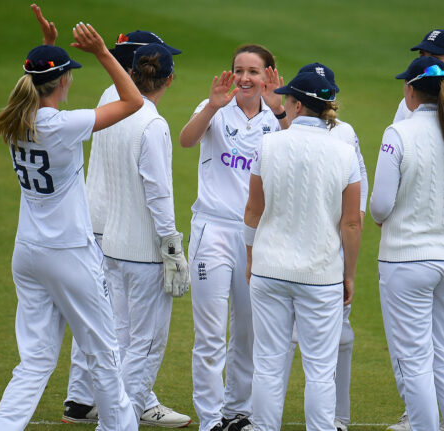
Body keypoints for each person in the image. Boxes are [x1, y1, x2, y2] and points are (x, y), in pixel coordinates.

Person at [0, 8, 143, 430]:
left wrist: (47, 47)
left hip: (28, 252)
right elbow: (133, 101)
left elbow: (33, 81)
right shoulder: (61, 125)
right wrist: (102, 53)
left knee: (35, 361)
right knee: (103, 354)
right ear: (62, 82)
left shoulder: (17, 119)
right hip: (70, 253)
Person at [62, 28, 191, 428]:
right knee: (145, 347)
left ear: (132, 71)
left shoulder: (114, 105)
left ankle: (108, 413)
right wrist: (172, 248)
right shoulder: (153, 124)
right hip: (144, 253)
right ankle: (117, 422)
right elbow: (158, 193)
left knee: (117, 338)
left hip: (114, 244)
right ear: (169, 79)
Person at [371, 56, 444, 431]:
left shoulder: (398, 133)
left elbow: (380, 206)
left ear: (411, 91)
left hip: (406, 260)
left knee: (416, 360)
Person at [243, 71, 362, 431]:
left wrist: (250, 258)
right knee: (321, 370)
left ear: (296, 105)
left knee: (268, 364)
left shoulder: (268, 145)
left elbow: (253, 211)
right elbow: (352, 223)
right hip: (322, 276)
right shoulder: (345, 153)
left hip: (269, 270)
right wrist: (349, 275)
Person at [179, 44, 286, 431]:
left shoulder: (277, 117)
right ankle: (210, 419)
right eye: (239, 70)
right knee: (210, 333)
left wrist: (280, 110)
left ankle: (236, 411)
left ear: (269, 76)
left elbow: (299, 151)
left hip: (256, 237)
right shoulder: (216, 109)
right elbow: (186, 140)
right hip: (213, 231)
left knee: (248, 331)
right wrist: (211, 106)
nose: (244, 78)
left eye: (253, 71)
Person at [279, 62, 368, 431]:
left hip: (319, 249)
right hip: (308, 251)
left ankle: (336, 417)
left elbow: (358, 191)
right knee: (293, 342)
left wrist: (351, 223)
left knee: (329, 339)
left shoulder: (344, 134)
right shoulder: (286, 128)